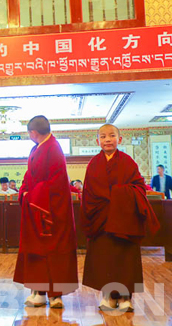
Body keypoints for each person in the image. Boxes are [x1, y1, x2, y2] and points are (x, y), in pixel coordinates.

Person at [81, 124, 160, 312]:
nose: (107, 139)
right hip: (101, 219)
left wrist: (117, 195)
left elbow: (139, 187)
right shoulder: (93, 164)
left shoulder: (127, 162)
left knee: (125, 258)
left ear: (120, 139)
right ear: (98, 141)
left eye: (111, 135)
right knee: (104, 258)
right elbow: (88, 192)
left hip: (124, 219)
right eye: (103, 136)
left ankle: (126, 298)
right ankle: (108, 296)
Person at [14, 116, 78, 309]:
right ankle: (39, 292)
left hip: (50, 210)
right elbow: (29, 176)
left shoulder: (53, 148)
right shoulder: (38, 148)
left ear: (33, 133)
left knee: (54, 250)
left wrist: (33, 195)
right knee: (37, 250)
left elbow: (56, 183)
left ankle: (56, 295)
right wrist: (25, 192)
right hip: (38, 207)